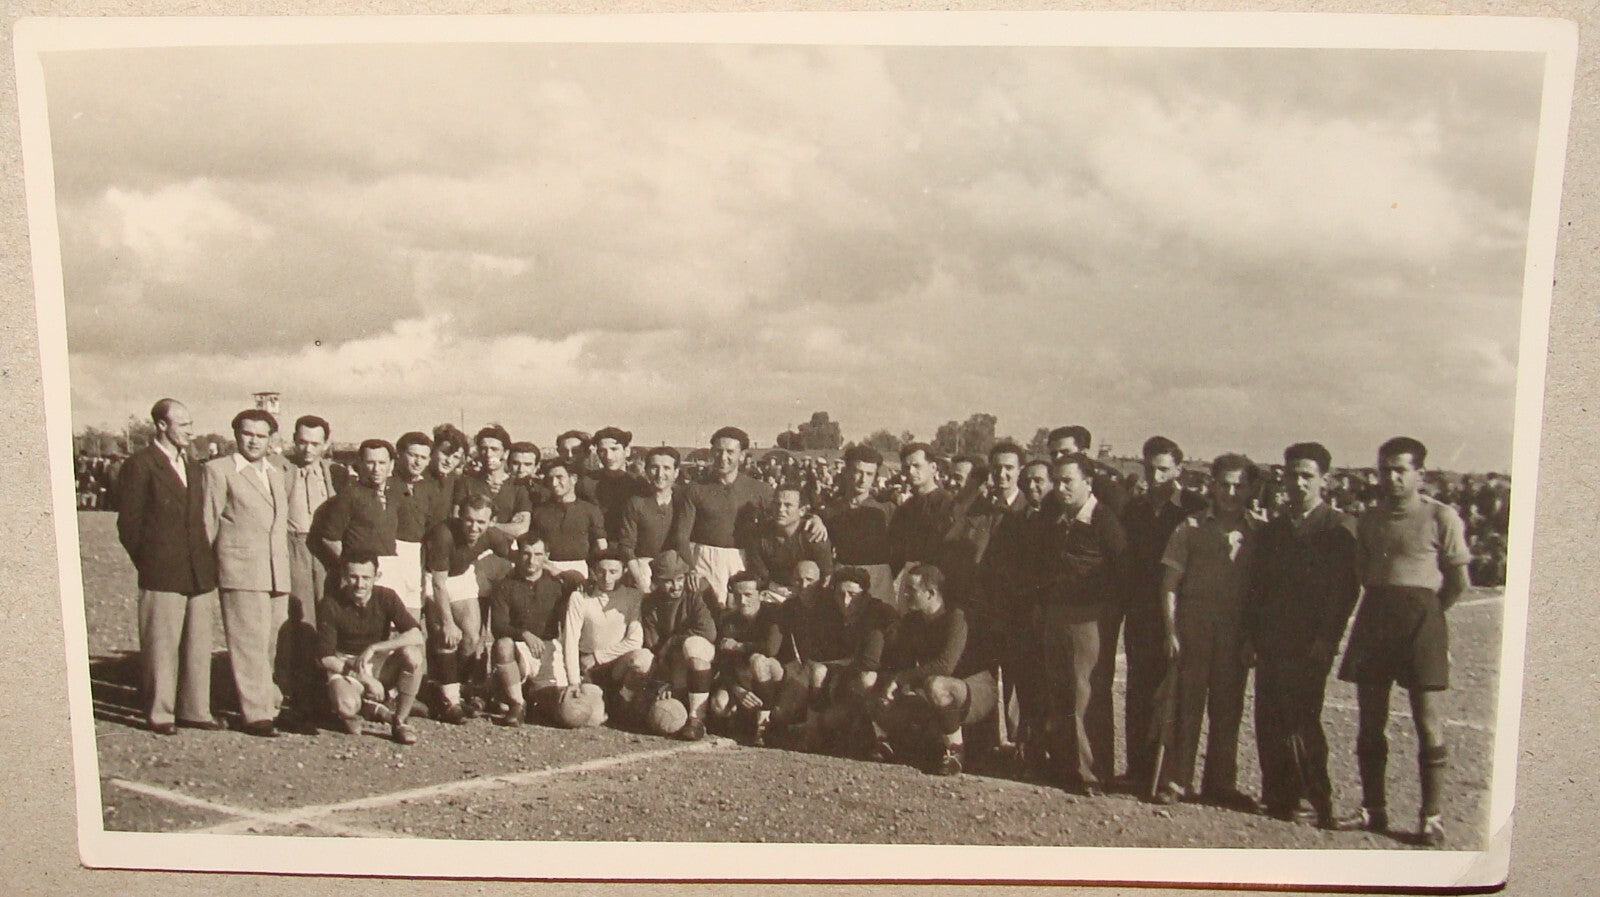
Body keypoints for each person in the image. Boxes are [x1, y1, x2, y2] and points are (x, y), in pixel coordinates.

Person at [1335, 437, 1471, 847]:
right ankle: (1372, 808)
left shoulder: (1440, 517)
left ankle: (1431, 817)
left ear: (1419, 474)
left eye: (1400, 470)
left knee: (1426, 720)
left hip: (1421, 620)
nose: (1391, 478)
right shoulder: (1370, 519)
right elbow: (1364, 572)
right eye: (1385, 470)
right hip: (1377, 616)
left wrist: (1429, 617)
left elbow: (1459, 581)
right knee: (1370, 718)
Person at [1247, 442, 1360, 827]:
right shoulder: (1275, 529)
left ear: (1324, 480)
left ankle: (1315, 797)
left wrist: (1327, 638)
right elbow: (1257, 588)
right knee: (1268, 716)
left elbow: (1344, 592)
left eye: (1307, 476)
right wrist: (1253, 635)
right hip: (1272, 638)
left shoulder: (1337, 529)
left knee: (1302, 719)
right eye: (1292, 475)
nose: (1298, 483)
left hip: (1309, 642)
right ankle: (1278, 794)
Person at [1153, 454, 1258, 809]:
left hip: (1235, 633)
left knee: (1228, 710)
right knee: (1186, 706)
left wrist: (1251, 638)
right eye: (1224, 484)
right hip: (1194, 627)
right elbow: (1170, 583)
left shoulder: (1258, 532)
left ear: (1249, 489)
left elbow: (1262, 593)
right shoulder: (1190, 527)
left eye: (1238, 485)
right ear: (1212, 485)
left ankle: (1220, 784)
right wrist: (1171, 631)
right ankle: (1175, 780)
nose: (1230, 492)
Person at [116, 398, 220, 735]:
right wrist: (150, 562)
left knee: (198, 646)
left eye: (191, 425)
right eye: (183, 425)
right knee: (161, 647)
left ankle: (195, 710)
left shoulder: (193, 466)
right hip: (162, 572)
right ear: (162, 425)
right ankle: (161, 712)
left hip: (198, 571)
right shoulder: (141, 464)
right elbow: (128, 525)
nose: (190, 431)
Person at [1033, 452, 1127, 796]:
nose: (1060, 488)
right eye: (1056, 481)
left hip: (1089, 618)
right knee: (1059, 691)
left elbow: (1121, 570)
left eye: (1067, 481)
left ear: (1088, 482)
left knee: (1085, 695)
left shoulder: (1104, 520)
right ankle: (1064, 767)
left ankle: (1092, 773)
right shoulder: (1056, 518)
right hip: (1057, 614)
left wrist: (1104, 612)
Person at [1118, 436, 1208, 790]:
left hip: (1179, 614)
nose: (1156, 477)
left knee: (1174, 695)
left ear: (1178, 470)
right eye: (1150, 468)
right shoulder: (1135, 509)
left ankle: (1170, 776)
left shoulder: (1193, 508)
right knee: (1139, 692)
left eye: (1164, 470)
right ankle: (1138, 770)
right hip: (1141, 614)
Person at [203, 408, 293, 738]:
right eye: (247, 434)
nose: (253, 441)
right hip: (240, 569)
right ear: (236, 435)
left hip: (275, 570)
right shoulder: (218, 470)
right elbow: (207, 523)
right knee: (248, 644)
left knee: (271, 643)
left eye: (260, 435)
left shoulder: (277, 472)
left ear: (271, 440)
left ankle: (268, 705)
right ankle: (255, 714)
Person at [868, 564, 996, 777]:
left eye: (911, 590)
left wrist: (901, 679)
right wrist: (893, 689)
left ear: (931, 593)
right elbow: (905, 665)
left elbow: (946, 665)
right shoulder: (912, 621)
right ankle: (889, 744)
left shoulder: (956, 617)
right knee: (879, 691)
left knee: (936, 684)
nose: (905, 594)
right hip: (937, 690)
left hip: (974, 687)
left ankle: (955, 752)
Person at [772, 566, 897, 753]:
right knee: (818, 680)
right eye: (841, 594)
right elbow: (821, 654)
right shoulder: (832, 612)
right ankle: (812, 734)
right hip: (849, 678)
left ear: (864, 595)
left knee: (864, 678)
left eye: (852, 594)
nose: (846, 601)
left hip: (886, 681)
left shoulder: (877, 613)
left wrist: (838, 669)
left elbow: (870, 662)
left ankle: (881, 737)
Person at [317, 550, 425, 745]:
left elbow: (416, 635)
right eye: (353, 577)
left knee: (413, 655)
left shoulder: (386, 596)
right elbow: (326, 658)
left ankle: (400, 721)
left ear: (377, 576)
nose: (360, 584)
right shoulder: (330, 603)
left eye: (366, 578)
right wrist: (365, 679)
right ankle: (362, 709)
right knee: (346, 706)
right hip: (346, 665)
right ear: (343, 577)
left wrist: (375, 648)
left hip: (377, 661)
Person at [423, 495, 514, 723]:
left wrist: (551, 569)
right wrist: (447, 622)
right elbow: (438, 584)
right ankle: (449, 700)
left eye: (480, 522)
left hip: (461, 577)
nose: (474, 527)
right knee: (447, 636)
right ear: (460, 516)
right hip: (434, 579)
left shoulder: (492, 534)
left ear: (490, 521)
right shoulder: (443, 535)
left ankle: (459, 687)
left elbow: (517, 554)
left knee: (472, 638)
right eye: (469, 520)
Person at [486, 535, 578, 726]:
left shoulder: (557, 584)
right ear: (518, 555)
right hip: (519, 649)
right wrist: (524, 634)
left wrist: (553, 569)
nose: (532, 560)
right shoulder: (505, 585)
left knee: (563, 710)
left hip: (548, 650)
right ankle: (517, 704)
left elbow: (580, 580)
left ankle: (526, 698)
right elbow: (498, 626)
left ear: (546, 556)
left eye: (538, 554)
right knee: (503, 645)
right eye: (526, 554)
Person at [685, 426, 775, 609]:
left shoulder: (761, 490)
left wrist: (814, 519)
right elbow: (682, 534)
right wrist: (690, 568)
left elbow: (786, 515)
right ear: (712, 453)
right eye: (718, 451)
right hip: (704, 558)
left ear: (742, 455)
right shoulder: (696, 488)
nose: (723, 457)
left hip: (743, 558)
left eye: (730, 452)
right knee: (706, 610)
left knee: (738, 610)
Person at [635, 550, 719, 740]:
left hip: (705, 656)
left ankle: (697, 718)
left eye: (679, 578)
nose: (676, 586)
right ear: (657, 582)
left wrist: (673, 641)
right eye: (668, 581)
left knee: (693, 645)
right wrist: (665, 681)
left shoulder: (697, 589)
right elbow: (654, 646)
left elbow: (708, 633)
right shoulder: (651, 603)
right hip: (671, 661)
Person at [312, 439, 402, 609]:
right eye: (370, 462)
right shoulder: (349, 495)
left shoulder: (394, 495)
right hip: (358, 579)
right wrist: (353, 569)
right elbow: (330, 539)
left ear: (391, 464)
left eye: (382, 463)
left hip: (386, 571)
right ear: (360, 464)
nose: (376, 469)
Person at [559, 549, 648, 710]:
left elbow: (635, 641)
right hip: (589, 668)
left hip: (617, 666)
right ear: (593, 572)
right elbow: (570, 640)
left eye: (614, 572)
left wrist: (597, 656)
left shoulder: (633, 597)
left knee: (644, 658)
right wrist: (573, 682)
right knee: (590, 716)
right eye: (601, 572)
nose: (607, 578)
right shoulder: (580, 598)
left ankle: (623, 702)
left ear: (624, 572)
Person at [708, 571, 787, 744]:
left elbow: (771, 649)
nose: (742, 601)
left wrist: (739, 646)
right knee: (719, 705)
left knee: (758, 660)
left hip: (773, 676)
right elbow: (724, 662)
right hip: (743, 677)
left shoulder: (774, 613)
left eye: (748, 595)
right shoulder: (729, 619)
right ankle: (742, 723)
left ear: (762, 594)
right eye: (737, 596)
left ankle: (763, 723)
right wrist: (737, 689)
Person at [817, 445, 896, 605]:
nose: (863, 479)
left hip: (878, 579)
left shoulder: (886, 509)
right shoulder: (831, 510)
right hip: (844, 577)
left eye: (869, 474)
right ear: (846, 472)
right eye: (858, 472)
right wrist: (814, 518)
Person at [887, 442, 959, 609]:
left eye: (917, 466)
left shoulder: (949, 505)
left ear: (933, 467)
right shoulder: (905, 509)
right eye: (906, 467)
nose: (911, 472)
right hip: (910, 582)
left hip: (937, 585)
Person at [618, 446, 694, 590]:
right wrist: (640, 578)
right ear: (646, 471)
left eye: (666, 468)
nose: (660, 474)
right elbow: (626, 546)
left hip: (677, 568)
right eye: (654, 468)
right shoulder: (636, 502)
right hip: (645, 568)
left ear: (676, 472)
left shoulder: (684, 501)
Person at [391, 431, 448, 617]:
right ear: (399, 454)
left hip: (416, 556)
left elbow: (434, 527)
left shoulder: (430, 489)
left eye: (423, 457)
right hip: (388, 553)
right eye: (413, 455)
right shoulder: (386, 484)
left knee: (412, 615)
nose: (417, 462)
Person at [745, 486, 834, 590]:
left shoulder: (814, 535)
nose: (781, 509)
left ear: (802, 510)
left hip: (809, 592)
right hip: (774, 591)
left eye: (788, 505)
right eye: (777, 504)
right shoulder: (760, 534)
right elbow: (760, 574)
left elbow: (826, 576)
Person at [530, 458, 608, 577]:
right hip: (546, 568)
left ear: (573, 479)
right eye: (550, 479)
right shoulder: (539, 511)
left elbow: (601, 545)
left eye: (559, 477)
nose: (554, 483)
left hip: (579, 569)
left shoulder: (590, 510)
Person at [452, 424, 532, 538]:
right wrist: (502, 526)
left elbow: (521, 528)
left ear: (505, 453)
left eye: (494, 449)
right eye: (484, 449)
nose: (489, 454)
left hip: (504, 551)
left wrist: (485, 525)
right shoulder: (466, 482)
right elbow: (457, 520)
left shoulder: (518, 487)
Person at [579, 426, 647, 543]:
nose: (608, 456)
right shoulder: (587, 483)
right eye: (602, 451)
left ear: (627, 451)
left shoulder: (640, 484)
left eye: (614, 449)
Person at [1047, 425, 1126, 515]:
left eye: (1065, 452)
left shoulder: (1107, 483)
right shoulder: (1052, 485)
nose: (1058, 458)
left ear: (1083, 452)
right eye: (1053, 454)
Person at [506, 441, 551, 508]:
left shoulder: (545, 494)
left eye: (527, 464)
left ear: (537, 467)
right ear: (508, 464)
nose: (521, 469)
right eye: (516, 463)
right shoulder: (497, 489)